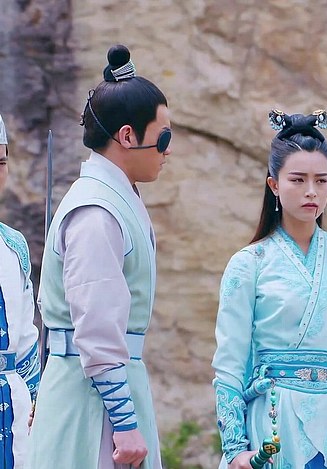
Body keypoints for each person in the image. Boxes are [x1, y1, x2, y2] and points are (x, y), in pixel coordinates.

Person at [213, 110, 327, 469]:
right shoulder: (250, 263)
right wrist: (235, 449)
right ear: (274, 185)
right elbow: (229, 365)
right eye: (298, 179)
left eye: (321, 180)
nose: (312, 191)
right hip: (274, 424)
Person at [30, 44, 171, 469]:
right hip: (91, 407)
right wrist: (125, 423)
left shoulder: (114, 199)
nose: (167, 149)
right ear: (127, 136)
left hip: (103, 390)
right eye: (163, 136)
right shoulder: (97, 211)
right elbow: (95, 323)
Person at [0, 113, 41, 468]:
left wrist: (38, 400)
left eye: (0, 162)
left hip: (14, 410)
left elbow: (26, 339)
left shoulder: (14, 246)